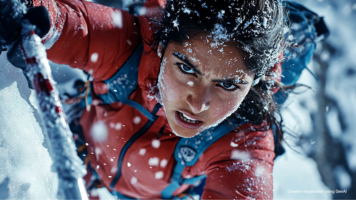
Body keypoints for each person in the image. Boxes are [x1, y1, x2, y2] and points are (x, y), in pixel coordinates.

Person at [0, 0, 324, 199]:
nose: (198, 103)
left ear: (257, 82)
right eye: (186, 68)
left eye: (228, 85)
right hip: (82, 148)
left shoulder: (244, 142)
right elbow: (68, 23)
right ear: (161, 43)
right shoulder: (129, 46)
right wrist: (27, 13)